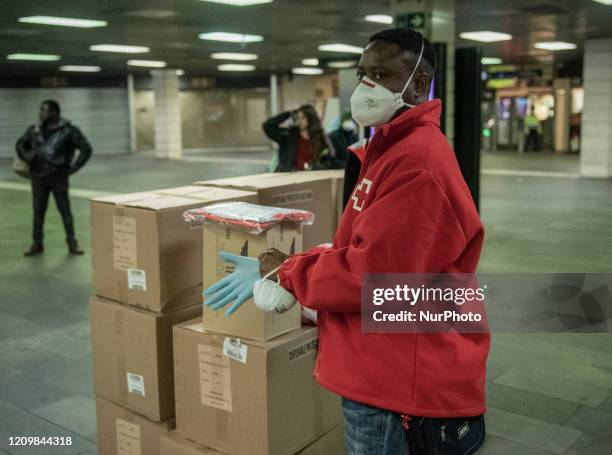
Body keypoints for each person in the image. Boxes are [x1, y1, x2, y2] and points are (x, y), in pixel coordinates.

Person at [205, 28, 488, 455]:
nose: (366, 86)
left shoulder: (418, 164)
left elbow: (370, 277)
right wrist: (299, 267)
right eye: (362, 74)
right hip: (383, 363)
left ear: (416, 82)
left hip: (395, 383)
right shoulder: (389, 149)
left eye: (381, 74)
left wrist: (288, 272)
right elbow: (363, 247)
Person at [16, 100, 92, 256]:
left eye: (43, 110)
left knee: (65, 211)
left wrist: (73, 168)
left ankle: (72, 244)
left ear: (54, 113)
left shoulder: (69, 131)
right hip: (38, 178)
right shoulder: (34, 130)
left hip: (59, 178)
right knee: (38, 212)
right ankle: (37, 244)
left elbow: (86, 149)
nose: (40, 113)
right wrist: (25, 155)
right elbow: (20, 144)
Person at [262, 104, 335, 171]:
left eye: (303, 118)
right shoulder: (289, 135)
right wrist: (289, 113)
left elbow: (328, 161)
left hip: (312, 178)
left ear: (311, 118)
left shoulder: (320, 137)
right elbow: (267, 126)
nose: (300, 120)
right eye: (298, 117)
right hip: (289, 177)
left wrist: (316, 167)